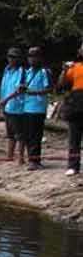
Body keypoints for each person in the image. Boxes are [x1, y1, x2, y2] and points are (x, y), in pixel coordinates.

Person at [1, 46, 52, 170]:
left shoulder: (44, 71)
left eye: (34, 56)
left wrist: (32, 92)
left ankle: (35, 161)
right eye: (30, 56)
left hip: (38, 108)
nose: (32, 59)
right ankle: (31, 159)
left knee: (35, 135)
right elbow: (22, 88)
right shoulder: (28, 72)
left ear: (40, 58)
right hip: (26, 107)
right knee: (28, 135)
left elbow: (49, 88)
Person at [55, 41, 83, 176]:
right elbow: (61, 85)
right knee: (74, 139)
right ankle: (73, 166)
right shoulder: (74, 67)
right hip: (76, 107)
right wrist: (64, 70)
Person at [0, 47, 26, 162]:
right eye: (9, 56)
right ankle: (10, 156)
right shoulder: (7, 70)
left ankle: (21, 157)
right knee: (10, 133)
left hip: (17, 107)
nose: (11, 59)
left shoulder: (22, 71)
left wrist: (5, 100)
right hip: (7, 106)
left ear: (18, 59)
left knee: (20, 133)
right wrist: (0, 101)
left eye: (14, 57)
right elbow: (4, 87)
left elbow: (20, 90)